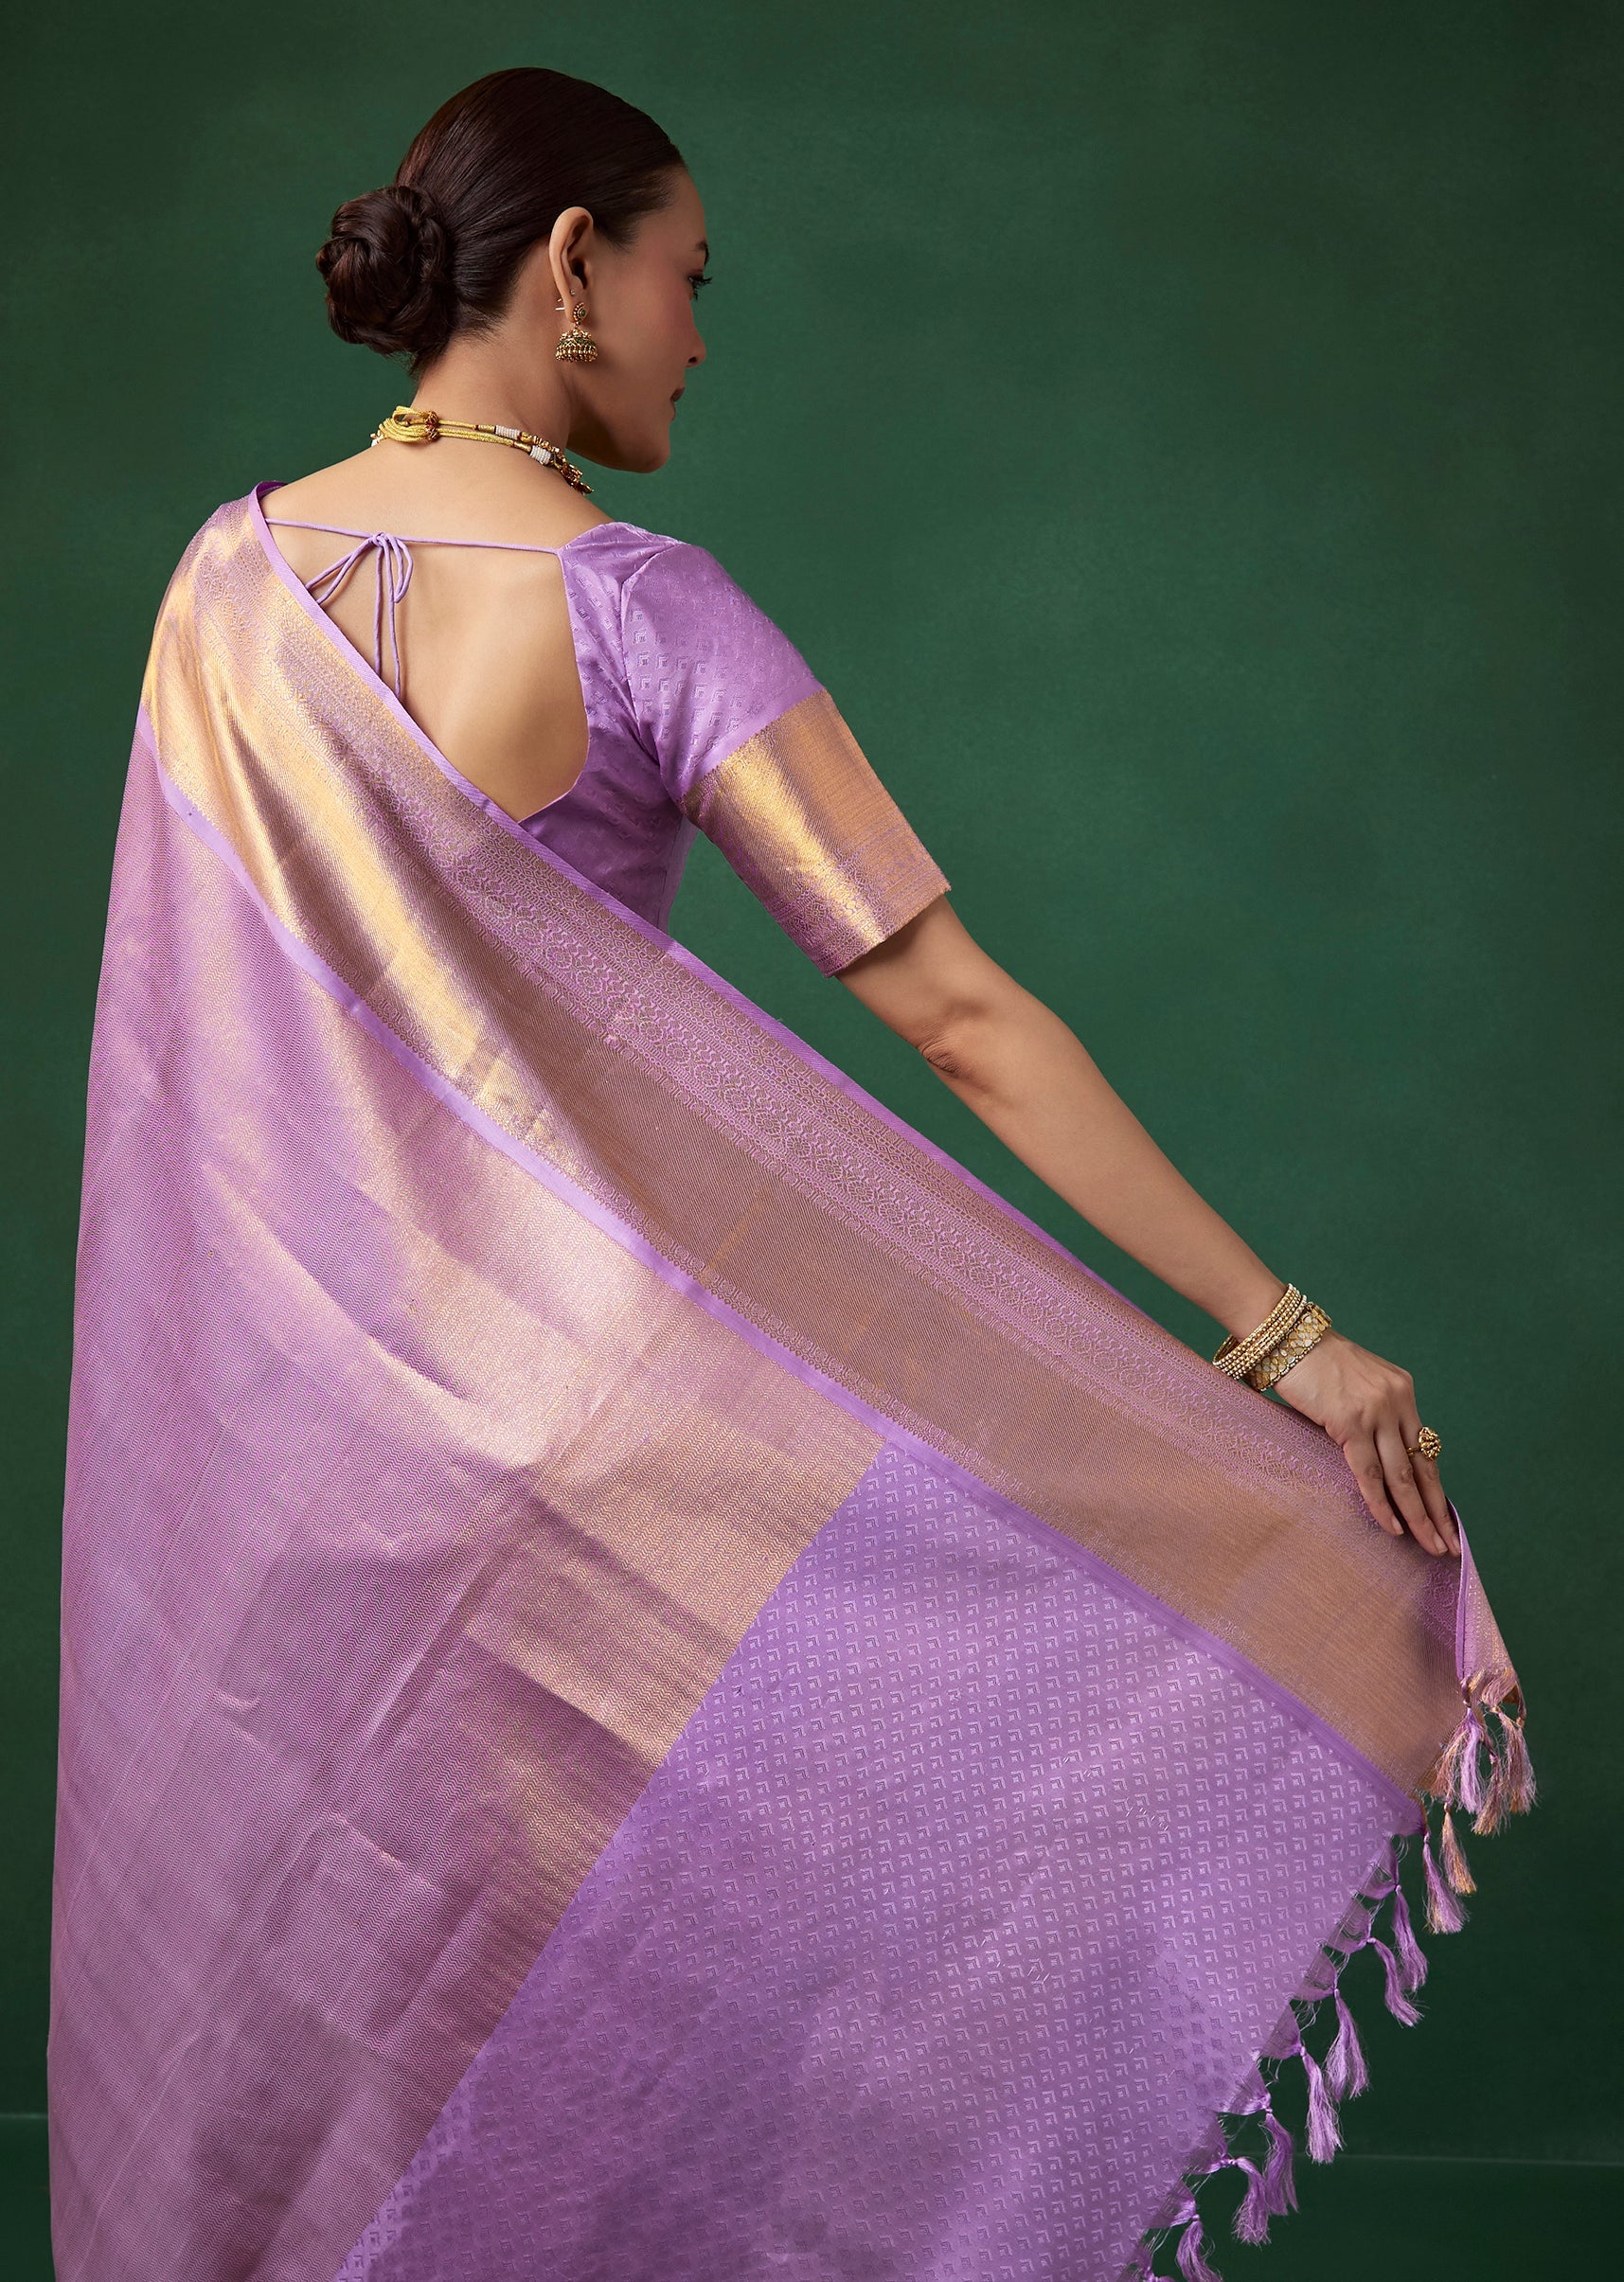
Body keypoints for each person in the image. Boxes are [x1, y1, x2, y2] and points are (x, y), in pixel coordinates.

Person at [48, 64, 1532, 2282]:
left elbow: (196, 1084)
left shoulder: (220, 595)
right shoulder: (644, 607)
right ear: (574, 265)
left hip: (313, 1485)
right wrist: (1283, 1336)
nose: (700, 335)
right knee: (698, 2030)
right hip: (643, 1467)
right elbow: (961, 1017)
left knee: (373, 2034)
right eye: (687, 277)